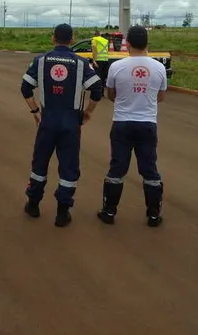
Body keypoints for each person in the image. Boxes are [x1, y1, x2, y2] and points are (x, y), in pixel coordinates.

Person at [20, 23, 103, 227]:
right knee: (69, 167)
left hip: (47, 120)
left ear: (52, 38)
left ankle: (33, 204)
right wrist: (88, 112)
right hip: (71, 123)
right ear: (72, 39)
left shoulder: (40, 61)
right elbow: (97, 89)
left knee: (40, 163)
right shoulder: (82, 63)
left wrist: (35, 112)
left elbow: (25, 88)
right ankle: (62, 212)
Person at [97, 25, 167, 227]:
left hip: (122, 123)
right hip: (147, 123)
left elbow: (110, 95)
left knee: (117, 168)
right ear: (147, 43)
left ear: (127, 43)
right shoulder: (159, 68)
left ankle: (109, 212)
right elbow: (160, 97)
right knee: (149, 169)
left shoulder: (116, 67)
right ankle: (153, 215)